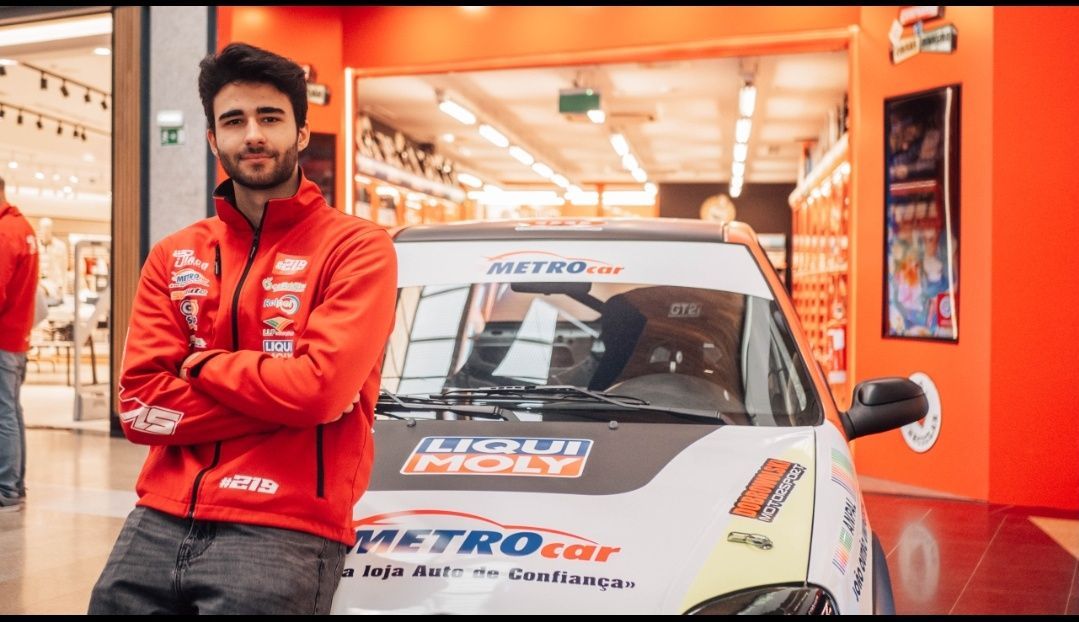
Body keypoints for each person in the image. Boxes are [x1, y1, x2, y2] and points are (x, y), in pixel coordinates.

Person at [88, 43, 398, 614]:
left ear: (302, 133)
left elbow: (321, 390)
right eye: (234, 121)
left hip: (285, 524)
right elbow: (139, 407)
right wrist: (291, 397)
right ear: (213, 140)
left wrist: (201, 364)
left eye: (270, 117)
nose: (253, 134)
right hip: (159, 515)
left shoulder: (357, 248)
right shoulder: (174, 254)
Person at [0, 175, 40, 513]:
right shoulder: (22, 226)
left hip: (3, 338)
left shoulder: (4, 232)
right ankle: (14, 484)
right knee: (10, 409)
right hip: (17, 337)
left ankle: (7, 488)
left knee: (4, 412)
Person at [36, 216, 68, 304]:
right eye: (43, 228)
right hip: (39, 284)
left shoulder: (60, 246)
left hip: (54, 285)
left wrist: (63, 291)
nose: (45, 230)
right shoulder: (35, 245)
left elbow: (63, 269)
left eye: (47, 228)